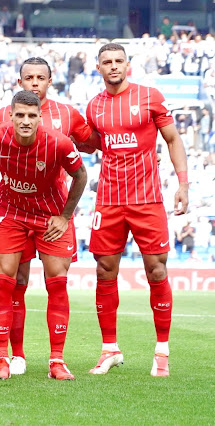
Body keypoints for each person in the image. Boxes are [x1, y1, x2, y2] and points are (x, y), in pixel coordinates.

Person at [0, 56, 100, 375]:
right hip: (13, 209)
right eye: (29, 77)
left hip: (53, 211)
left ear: (50, 82)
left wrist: (134, 152)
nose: (34, 82)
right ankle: (15, 355)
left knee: (57, 282)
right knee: (14, 281)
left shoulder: (66, 115)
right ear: (19, 82)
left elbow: (92, 144)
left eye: (41, 77)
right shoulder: (2, 116)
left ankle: (57, 360)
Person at [85, 43, 188, 377]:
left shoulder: (150, 97)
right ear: (98, 67)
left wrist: (183, 183)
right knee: (104, 270)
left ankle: (162, 352)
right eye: (107, 62)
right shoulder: (94, 107)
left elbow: (172, 139)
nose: (113, 66)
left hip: (147, 199)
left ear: (127, 65)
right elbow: (93, 144)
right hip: (109, 200)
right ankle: (109, 349)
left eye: (118, 61)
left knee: (156, 270)